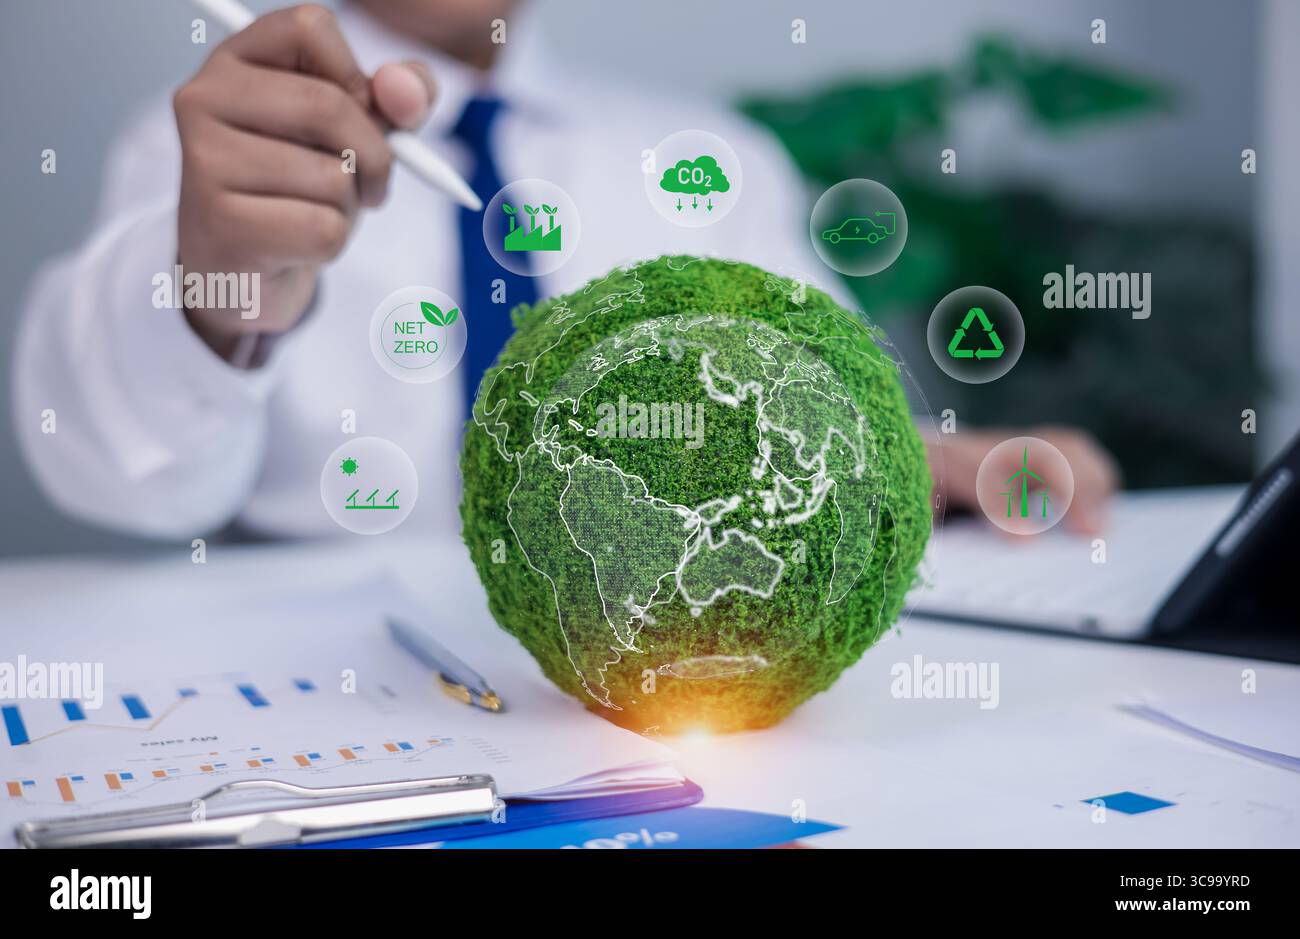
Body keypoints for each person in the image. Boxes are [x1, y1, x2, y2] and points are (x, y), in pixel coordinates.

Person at [12, 0, 1117, 542]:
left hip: (662, 688)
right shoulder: (218, 148)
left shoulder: (707, 157)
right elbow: (129, 479)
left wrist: (918, 465)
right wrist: (221, 289)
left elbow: (816, 416)